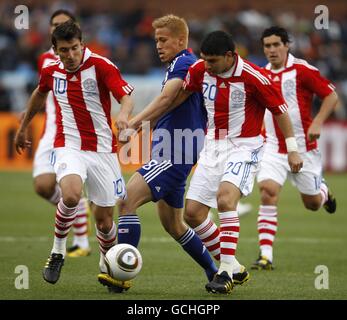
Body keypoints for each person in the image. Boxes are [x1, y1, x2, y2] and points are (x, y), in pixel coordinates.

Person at [130, 30, 303, 294]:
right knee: (193, 213)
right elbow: (180, 96)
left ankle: (223, 272)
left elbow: (280, 111)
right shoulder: (200, 70)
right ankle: (233, 264)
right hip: (212, 147)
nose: (206, 65)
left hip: (245, 147)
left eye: (212, 61)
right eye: (204, 59)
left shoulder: (254, 77)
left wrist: (292, 149)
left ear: (229, 56)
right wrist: (148, 123)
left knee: (225, 199)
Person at [98, 14, 223, 293]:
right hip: (175, 150)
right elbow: (167, 107)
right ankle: (216, 272)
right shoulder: (175, 66)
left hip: (174, 152)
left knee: (127, 200)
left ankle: (121, 272)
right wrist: (140, 130)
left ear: (181, 40)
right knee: (174, 225)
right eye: (156, 40)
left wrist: (133, 123)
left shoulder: (185, 63)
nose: (158, 45)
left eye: (163, 40)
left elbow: (166, 99)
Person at [14, 21, 134, 285]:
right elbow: (39, 93)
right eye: (64, 50)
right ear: (55, 50)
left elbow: (125, 97)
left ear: (83, 45)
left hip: (103, 150)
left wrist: (124, 117)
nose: (69, 55)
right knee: (70, 194)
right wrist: (23, 128)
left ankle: (109, 266)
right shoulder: (51, 70)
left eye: (74, 48)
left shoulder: (101, 66)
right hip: (68, 145)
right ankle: (57, 252)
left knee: (104, 222)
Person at [251, 26, 338, 270]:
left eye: (276, 44)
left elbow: (331, 96)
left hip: (304, 147)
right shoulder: (260, 74)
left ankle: (323, 192)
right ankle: (266, 255)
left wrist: (318, 121)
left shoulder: (302, 70)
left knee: (311, 204)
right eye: (267, 46)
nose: (271, 50)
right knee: (267, 191)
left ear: (287, 45)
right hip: (272, 146)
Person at [33, 10, 91, 258]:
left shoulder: (86, 59)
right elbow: (41, 92)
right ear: (49, 30)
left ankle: (81, 242)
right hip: (50, 129)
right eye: (54, 24)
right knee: (43, 186)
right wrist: (26, 122)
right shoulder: (45, 60)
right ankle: (80, 208)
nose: (58, 27)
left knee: (70, 191)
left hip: (71, 132)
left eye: (64, 24)